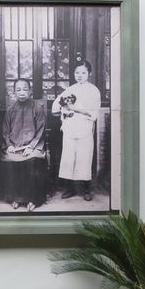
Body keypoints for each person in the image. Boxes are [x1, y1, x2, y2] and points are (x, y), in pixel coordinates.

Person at [52, 60, 101, 201]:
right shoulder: (70, 89)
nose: (80, 75)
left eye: (83, 73)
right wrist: (65, 111)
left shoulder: (93, 90)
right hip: (70, 126)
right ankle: (71, 188)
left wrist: (75, 109)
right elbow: (57, 106)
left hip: (84, 126)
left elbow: (92, 112)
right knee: (69, 157)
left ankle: (87, 189)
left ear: (89, 74)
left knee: (85, 157)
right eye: (77, 73)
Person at [0, 79, 47, 212]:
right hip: (14, 147)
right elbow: (5, 131)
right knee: (11, 161)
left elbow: (41, 131)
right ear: (14, 92)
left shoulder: (37, 108)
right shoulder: (10, 110)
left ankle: (33, 200)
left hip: (33, 146)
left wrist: (31, 147)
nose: (21, 93)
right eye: (18, 90)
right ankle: (15, 198)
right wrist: (9, 145)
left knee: (33, 160)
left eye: (25, 89)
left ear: (30, 91)